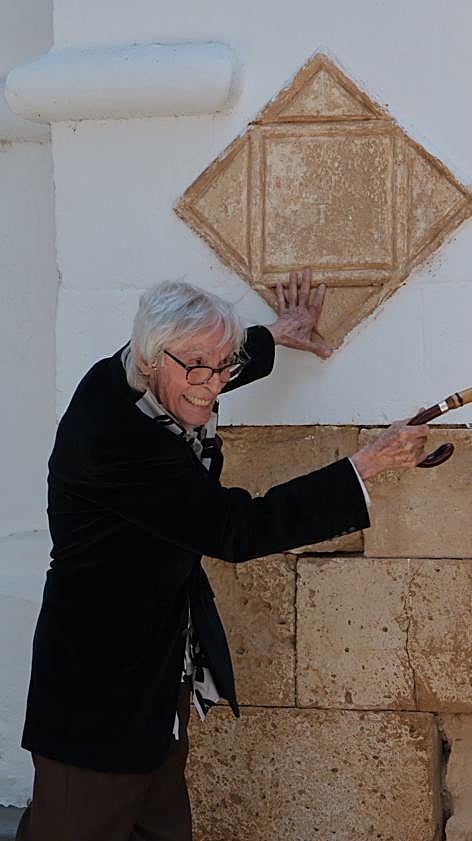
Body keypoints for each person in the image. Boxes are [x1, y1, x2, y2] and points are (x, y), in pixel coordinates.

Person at [15, 269, 429, 841]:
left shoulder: (143, 376)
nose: (211, 386)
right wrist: (368, 464)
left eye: (223, 367)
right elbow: (237, 529)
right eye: (199, 368)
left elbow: (210, 362)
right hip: (96, 693)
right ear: (153, 356)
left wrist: (279, 333)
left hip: (156, 681)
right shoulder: (114, 440)